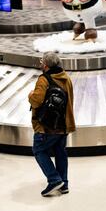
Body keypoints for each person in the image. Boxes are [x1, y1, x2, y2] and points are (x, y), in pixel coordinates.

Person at [28, 52, 76, 196]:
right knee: (60, 152)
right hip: (63, 124)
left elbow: (36, 100)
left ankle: (54, 179)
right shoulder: (66, 77)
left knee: (39, 150)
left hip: (47, 126)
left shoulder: (44, 79)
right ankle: (64, 184)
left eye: (42, 61)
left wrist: (30, 95)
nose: (41, 64)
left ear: (46, 65)